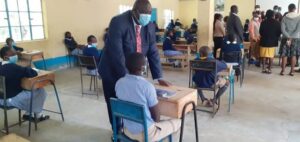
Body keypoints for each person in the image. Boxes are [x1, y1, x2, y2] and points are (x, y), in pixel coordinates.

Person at [98, 0, 171, 136]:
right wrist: (129, 79)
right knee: (114, 102)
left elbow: (153, 50)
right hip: (112, 69)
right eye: (144, 14)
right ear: (134, 12)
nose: (147, 17)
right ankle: (116, 132)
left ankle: (130, 130)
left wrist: (159, 76)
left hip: (133, 70)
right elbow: (117, 54)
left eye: (149, 14)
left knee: (132, 101)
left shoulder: (148, 25)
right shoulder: (118, 22)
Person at [116, 53, 181, 141]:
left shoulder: (119, 83)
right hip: (146, 134)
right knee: (178, 122)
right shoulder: (147, 86)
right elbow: (156, 118)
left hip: (127, 130)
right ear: (143, 67)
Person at [0, 47, 49, 121]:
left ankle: (28, 114)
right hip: (9, 100)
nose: (16, 56)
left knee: (28, 90)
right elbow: (33, 73)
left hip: (1, 98)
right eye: (13, 54)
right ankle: (37, 115)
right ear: (6, 57)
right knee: (40, 91)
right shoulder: (12, 67)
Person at [279, 3, 300, 76]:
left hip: (285, 38)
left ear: (288, 9)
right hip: (296, 38)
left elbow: (282, 29)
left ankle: (283, 71)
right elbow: (298, 29)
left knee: (284, 55)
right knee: (293, 55)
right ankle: (292, 71)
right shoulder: (299, 17)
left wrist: (288, 36)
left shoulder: (284, 17)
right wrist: (292, 37)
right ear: (295, 9)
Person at [259, 10, 281, 74]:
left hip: (264, 41)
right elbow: (279, 32)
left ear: (266, 15)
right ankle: (269, 69)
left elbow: (260, 32)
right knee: (271, 56)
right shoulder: (277, 22)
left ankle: (263, 68)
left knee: (264, 55)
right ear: (273, 15)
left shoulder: (263, 22)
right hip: (273, 41)